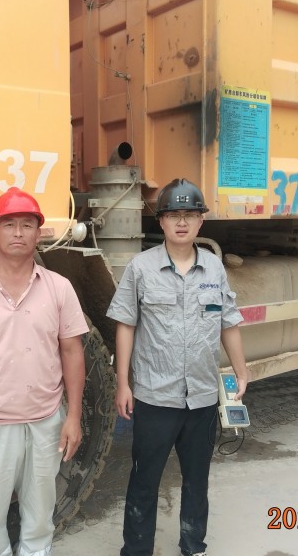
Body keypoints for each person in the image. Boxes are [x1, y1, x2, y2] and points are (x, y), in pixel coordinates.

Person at [0, 187, 88, 556]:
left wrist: (73, 416)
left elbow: (72, 351)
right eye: (9, 225)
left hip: (45, 422)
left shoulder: (59, 288)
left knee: (40, 513)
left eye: (27, 225)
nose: (18, 233)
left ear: (39, 233)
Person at [106, 178, 249, 556]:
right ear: (162, 221)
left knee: (197, 481)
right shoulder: (141, 268)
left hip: (201, 396)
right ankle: (136, 550)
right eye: (173, 215)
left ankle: (193, 546)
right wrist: (123, 383)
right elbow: (125, 325)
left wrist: (241, 371)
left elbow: (228, 323)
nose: (181, 222)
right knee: (144, 481)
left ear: (201, 221)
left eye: (189, 214)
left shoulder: (214, 269)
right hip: (155, 397)